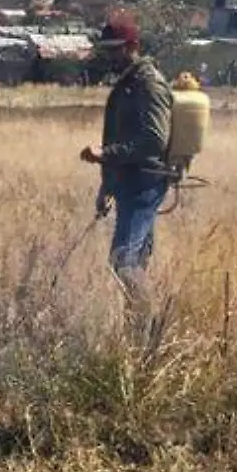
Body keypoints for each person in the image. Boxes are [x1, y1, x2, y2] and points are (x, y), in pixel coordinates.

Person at [78, 16, 174, 317]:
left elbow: (153, 142)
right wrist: (107, 185)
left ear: (133, 46)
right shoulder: (130, 83)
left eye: (115, 50)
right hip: (128, 183)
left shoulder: (149, 84)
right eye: (106, 50)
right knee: (136, 261)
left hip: (144, 183)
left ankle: (148, 330)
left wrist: (106, 154)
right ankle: (138, 332)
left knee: (124, 262)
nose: (110, 56)